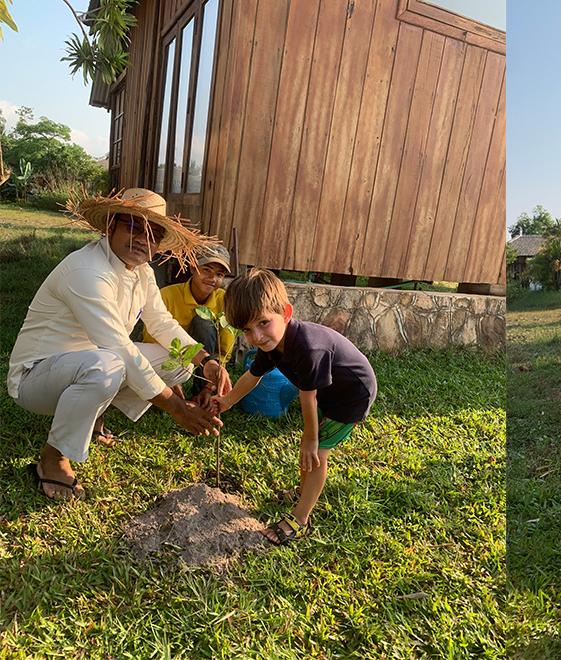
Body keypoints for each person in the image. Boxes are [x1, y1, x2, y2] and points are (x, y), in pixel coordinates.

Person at [8, 189, 230, 501]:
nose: (143, 240)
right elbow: (120, 349)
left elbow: (161, 323)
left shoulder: (142, 272)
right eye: (134, 226)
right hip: (37, 377)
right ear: (110, 225)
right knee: (109, 365)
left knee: (178, 361)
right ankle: (53, 457)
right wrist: (177, 408)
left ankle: (92, 416)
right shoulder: (88, 270)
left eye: (154, 235)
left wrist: (206, 361)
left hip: (91, 363)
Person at [210, 268, 378, 545]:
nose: (257, 336)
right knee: (309, 448)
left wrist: (311, 439)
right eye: (247, 330)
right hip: (327, 392)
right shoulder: (272, 345)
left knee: (316, 453)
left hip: (350, 396)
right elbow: (253, 375)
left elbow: (308, 397)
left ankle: (300, 519)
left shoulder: (309, 349)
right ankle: (303, 490)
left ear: (286, 313)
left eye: (263, 323)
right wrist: (228, 400)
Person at [144, 243, 236, 405]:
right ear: (193, 268)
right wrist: (170, 379)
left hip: (206, 359)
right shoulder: (167, 295)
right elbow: (152, 342)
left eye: (219, 274)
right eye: (206, 270)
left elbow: (223, 350)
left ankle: (201, 391)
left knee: (204, 323)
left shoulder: (225, 301)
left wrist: (210, 387)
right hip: (172, 357)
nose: (212, 279)